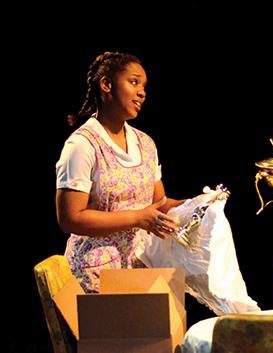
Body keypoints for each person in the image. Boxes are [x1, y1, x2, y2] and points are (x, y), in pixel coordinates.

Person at [55, 51, 185, 293]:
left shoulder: (145, 143)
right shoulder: (83, 145)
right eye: (134, 82)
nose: (142, 92)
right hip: (95, 277)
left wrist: (196, 206)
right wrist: (137, 218)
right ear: (106, 85)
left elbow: (159, 205)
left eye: (144, 86)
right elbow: (70, 218)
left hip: (141, 272)